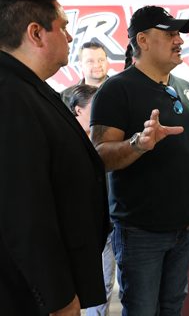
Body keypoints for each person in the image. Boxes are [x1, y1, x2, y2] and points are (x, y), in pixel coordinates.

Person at [90, 5, 189, 315]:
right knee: (142, 309)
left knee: (172, 306)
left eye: (179, 35)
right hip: (141, 232)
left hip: (184, 228)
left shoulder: (185, 88)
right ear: (142, 40)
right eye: (169, 34)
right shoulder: (116, 91)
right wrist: (138, 144)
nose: (179, 41)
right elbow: (100, 155)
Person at [0, 0, 109, 315]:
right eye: (62, 27)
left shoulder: (29, 88)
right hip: (28, 295)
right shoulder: (10, 96)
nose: (70, 37)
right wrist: (58, 296)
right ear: (36, 33)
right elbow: (23, 211)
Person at [64, 84, 116, 316]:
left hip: (107, 224)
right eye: (97, 107)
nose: (103, 113)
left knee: (103, 287)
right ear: (77, 110)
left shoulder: (106, 141)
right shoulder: (65, 142)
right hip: (75, 230)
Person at [61, 41, 110, 106]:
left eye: (101, 60)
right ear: (81, 65)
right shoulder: (65, 97)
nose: (97, 65)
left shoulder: (121, 90)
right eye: (90, 61)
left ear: (107, 61)